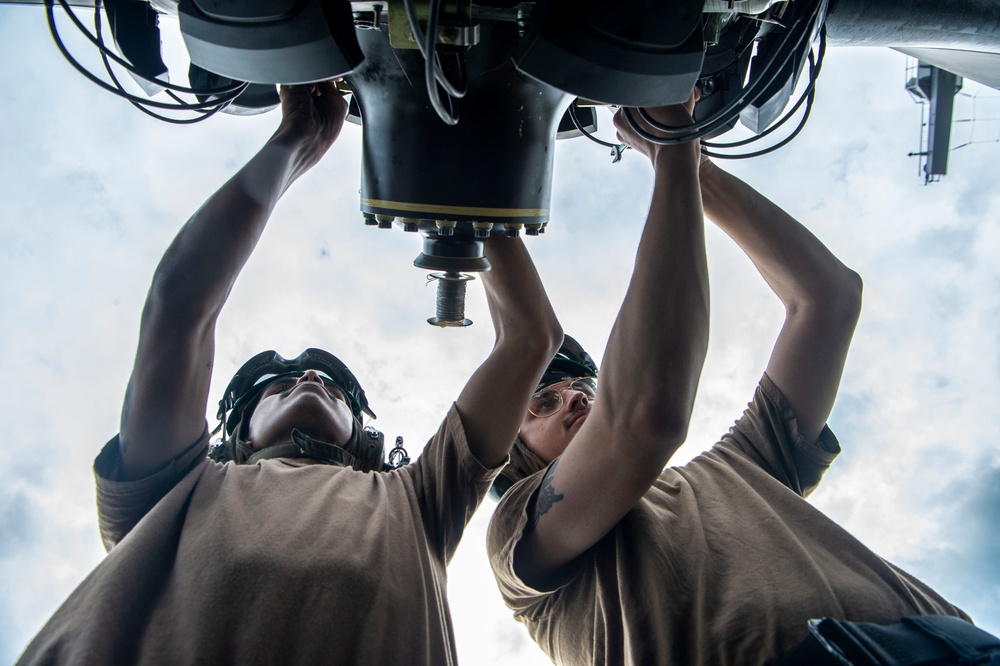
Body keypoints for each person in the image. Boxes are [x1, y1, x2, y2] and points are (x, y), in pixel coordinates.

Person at [18, 80, 563, 665]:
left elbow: (531, 342)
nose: (309, 380)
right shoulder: (171, 491)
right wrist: (299, 138)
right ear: (235, 432)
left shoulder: (417, 498)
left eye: (328, 386)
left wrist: (457, 182)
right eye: (280, 385)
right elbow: (178, 307)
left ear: (364, 437)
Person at [486, 94, 973, 665]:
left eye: (585, 387)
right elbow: (647, 419)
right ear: (511, 456)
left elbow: (827, 299)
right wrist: (670, 150)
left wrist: (692, 163)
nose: (574, 395)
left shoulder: (742, 471)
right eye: (542, 404)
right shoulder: (519, 536)